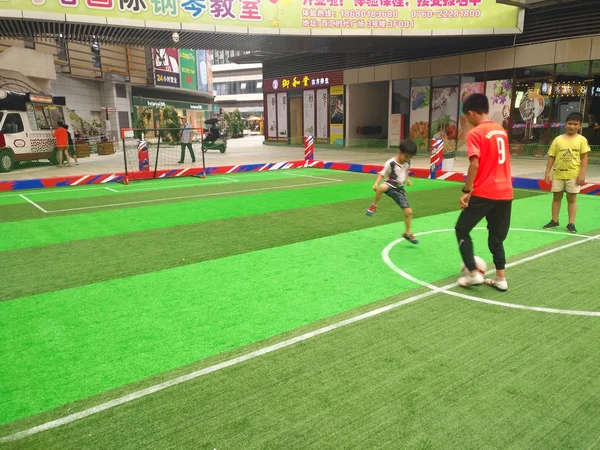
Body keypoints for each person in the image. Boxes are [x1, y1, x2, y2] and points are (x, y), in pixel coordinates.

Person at [455, 93, 513, 292]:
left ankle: (473, 273)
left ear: (471, 113)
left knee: (462, 229)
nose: (467, 122)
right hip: (506, 192)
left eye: (466, 117)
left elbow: (474, 164)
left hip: (485, 191)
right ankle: (500, 278)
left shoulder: (476, 133)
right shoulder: (501, 131)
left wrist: (466, 190)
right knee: (496, 238)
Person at [543, 112, 590, 233]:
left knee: (572, 199)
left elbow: (584, 158)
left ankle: (571, 223)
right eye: (570, 123)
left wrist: (582, 174)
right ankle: (554, 220)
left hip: (573, 175)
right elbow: (552, 156)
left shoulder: (582, 140)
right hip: (558, 174)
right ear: (565, 124)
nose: (572, 126)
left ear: (580, 126)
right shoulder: (558, 140)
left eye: (575, 124)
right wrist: (547, 172)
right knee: (556, 197)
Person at [365, 139, 419, 244]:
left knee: (409, 212)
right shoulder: (391, 163)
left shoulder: (408, 161)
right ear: (399, 152)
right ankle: (374, 206)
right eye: (406, 156)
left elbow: (406, 170)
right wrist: (376, 183)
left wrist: (407, 179)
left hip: (400, 189)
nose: (407, 159)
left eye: (410, 157)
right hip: (390, 184)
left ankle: (408, 233)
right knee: (382, 188)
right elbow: (382, 174)